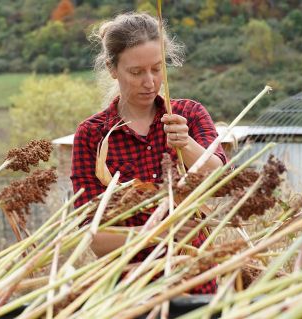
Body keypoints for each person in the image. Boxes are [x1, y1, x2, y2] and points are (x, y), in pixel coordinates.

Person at [70, 12, 227, 294]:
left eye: (157, 69)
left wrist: (186, 144)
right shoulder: (92, 134)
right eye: (136, 72)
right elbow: (94, 238)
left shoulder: (189, 115)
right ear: (112, 69)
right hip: (125, 291)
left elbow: (220, 181)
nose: (149, 82)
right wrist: (160, 233)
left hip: (194, 283)